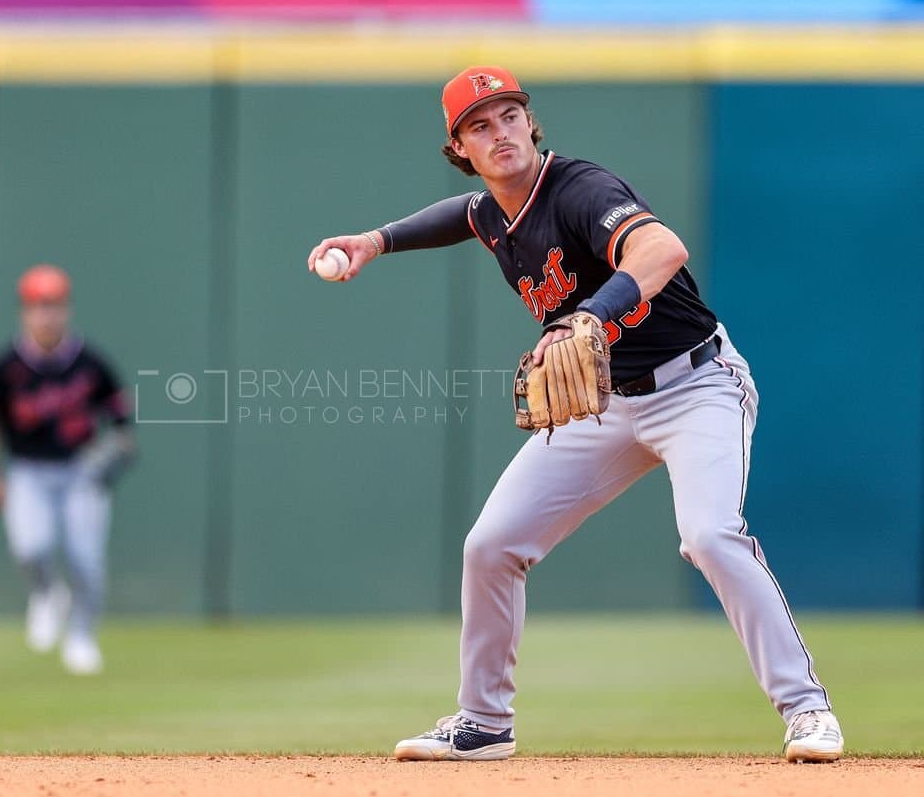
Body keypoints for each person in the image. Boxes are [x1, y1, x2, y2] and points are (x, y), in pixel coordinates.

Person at [307, 66, 842, 763]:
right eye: (479, 125)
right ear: (459, 149)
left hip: (698, 385)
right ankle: (483, 721)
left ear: (531, 122)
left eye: (508, 116)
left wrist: (590, 312)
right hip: (608, 402)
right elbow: (461, 216)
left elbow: (662, 248)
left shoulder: (581, 187)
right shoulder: (491, 212)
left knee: (710, 535)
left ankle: (808, 710)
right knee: (491, 545)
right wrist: (374, 240)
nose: (499, 133)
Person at [0, 263, 134, 675]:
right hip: (27, 471)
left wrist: (112, 455)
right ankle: (46, 594)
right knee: (31, 547)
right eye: (38, 306)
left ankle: (81, 637)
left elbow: (121, 422)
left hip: (80, 471)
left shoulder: (90, 362)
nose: (47, 315)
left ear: (67, 309)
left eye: (54, 305)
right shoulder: (4, 367)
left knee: (86, 560)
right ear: (24, 312)